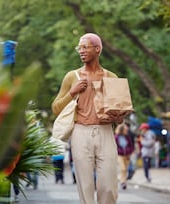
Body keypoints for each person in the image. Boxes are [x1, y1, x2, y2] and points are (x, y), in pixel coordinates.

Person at [52, 33, 124, 204]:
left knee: (108, 186)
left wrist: (119, 117)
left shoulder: (111, 77)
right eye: (79, 48)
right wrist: (73, 92)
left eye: (85, 47)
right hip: (80, 132)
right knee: (85, 185)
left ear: (97, 49)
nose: (81, 51)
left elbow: (120, 117)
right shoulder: (72, 77)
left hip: (105, 132)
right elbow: (56, 108)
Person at [115, 123, 134, 190]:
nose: (126, 131)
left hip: (127, 155)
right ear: (122, 130)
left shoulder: (127, 136)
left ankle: (123, 182)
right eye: (125, 130)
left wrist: (130, 152)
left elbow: (131, 145)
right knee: (122, 168)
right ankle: (122, 181)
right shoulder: (116, 137)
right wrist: (119, 151)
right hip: (120, 155)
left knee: (125, 169)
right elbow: (115, 146)